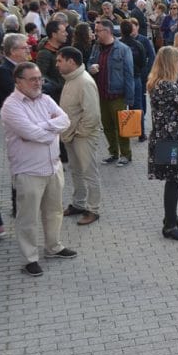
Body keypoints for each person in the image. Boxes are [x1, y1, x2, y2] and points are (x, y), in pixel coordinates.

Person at [1, 62, 74, 276]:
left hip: (53, 167)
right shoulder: (11, 106)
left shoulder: (46, 99)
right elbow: (33, 134)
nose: (38, 82)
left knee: (54, 211)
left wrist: (40, 127)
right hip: (28, 171)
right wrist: (50, 128)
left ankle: (53, 247)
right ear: (18, 81)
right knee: (28, 217)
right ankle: (29, 258)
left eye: (39, 78)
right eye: (32, 79)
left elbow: (65, 120)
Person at [147, 47, 178, 241]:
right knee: (174, 179)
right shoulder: (167, 85)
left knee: (175, 179)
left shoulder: (158, 83)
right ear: (170, 63)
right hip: (171, 140)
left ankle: (172, 216)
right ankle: (169, 225)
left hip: (169, 138)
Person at [56, 46, 102, 226]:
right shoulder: (71, 79)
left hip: (83, 136)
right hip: (72, 135)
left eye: (60, 60)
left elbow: (92, 115)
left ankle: (93, 209)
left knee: (89, 173)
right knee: (76, 171)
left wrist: (78, 133)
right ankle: (78, 204)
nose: (57, 64)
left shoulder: (84, 81)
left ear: (71, 62)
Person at [88, 19, 134, 167]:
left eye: (98, 31)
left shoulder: (123, 49)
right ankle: (113, 153)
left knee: (121, 126)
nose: (95, 34)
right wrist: (90, 68)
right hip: (100, 94)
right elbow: (89, 62)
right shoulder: (96, 47)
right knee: (107, 125)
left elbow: (129, 74)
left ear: (107, 31)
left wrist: (129, 98)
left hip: (117, 95)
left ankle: (126, 154)